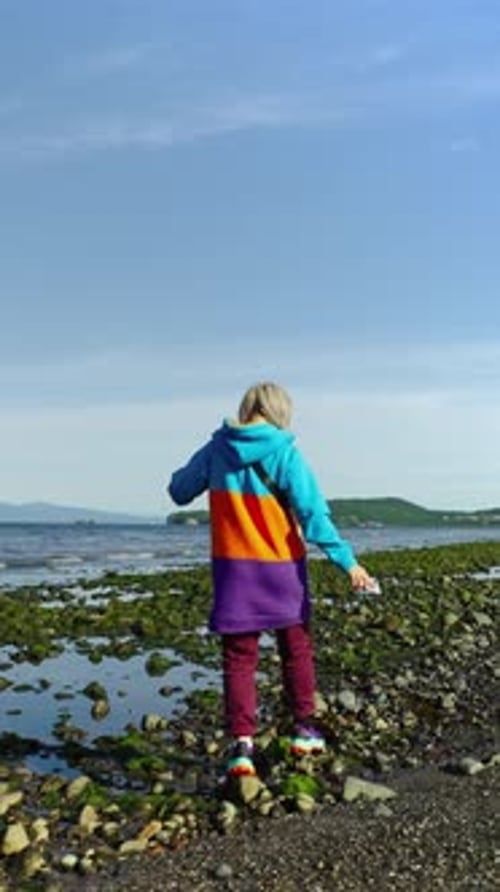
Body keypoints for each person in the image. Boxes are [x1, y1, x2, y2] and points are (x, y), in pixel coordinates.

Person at [168, 381, 375, 778]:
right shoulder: (286, 453)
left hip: (234, 574)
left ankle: (242, 745)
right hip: (282, 572)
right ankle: (304, 730)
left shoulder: (216, 449)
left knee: (239, 660)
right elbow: (315, 516)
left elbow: (179, 491)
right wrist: (349, 563)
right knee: (296, 650)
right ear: (280, 411)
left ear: (246, 408)